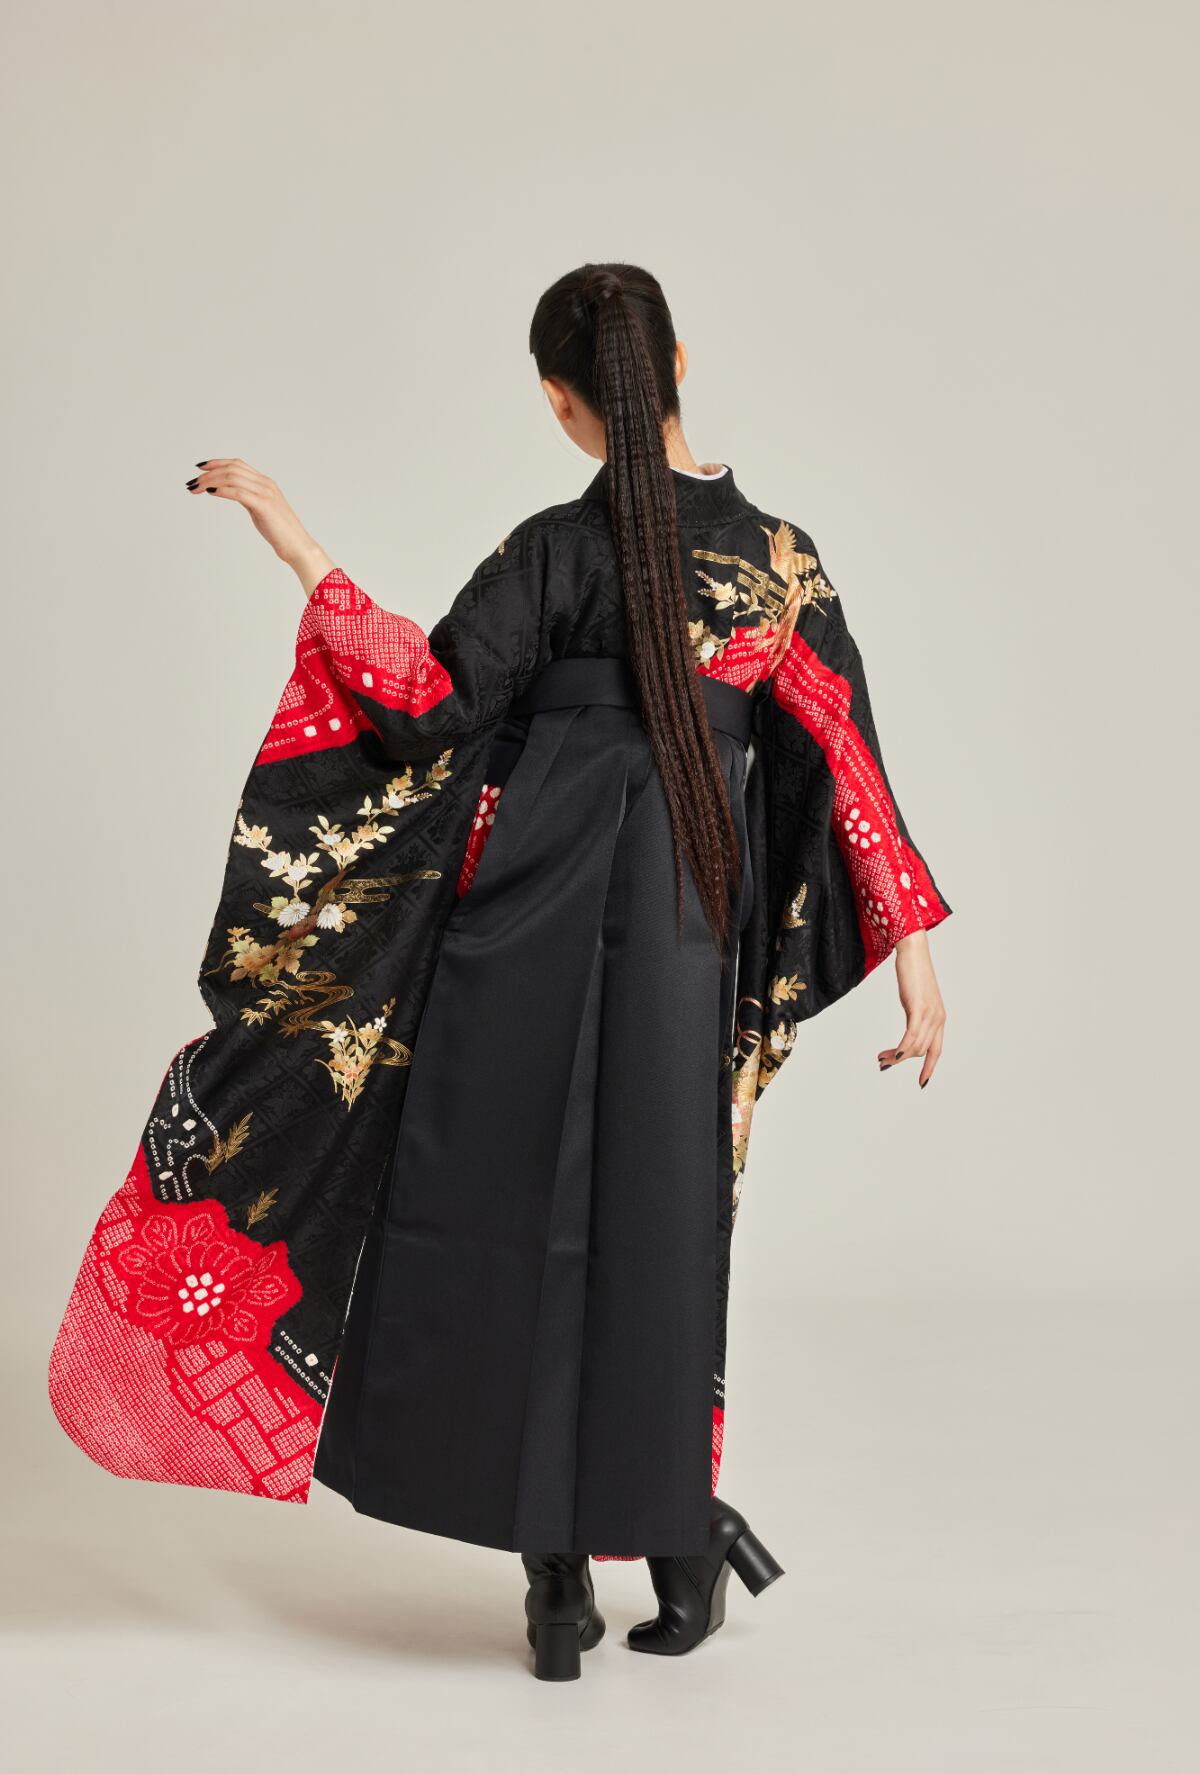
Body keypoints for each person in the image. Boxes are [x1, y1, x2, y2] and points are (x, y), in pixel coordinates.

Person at [48, 261, 950, 1682]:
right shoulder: (776, 560)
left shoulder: (551, 548)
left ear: (558, 401)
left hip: (521, 902)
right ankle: (665, 1550)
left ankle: (569, 1584)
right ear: (680, 364)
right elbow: (843, 753)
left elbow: (425, 707)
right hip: (683, 910)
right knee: (664, 1227)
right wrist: (911, 956)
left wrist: (305, 554)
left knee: (504, 1218)